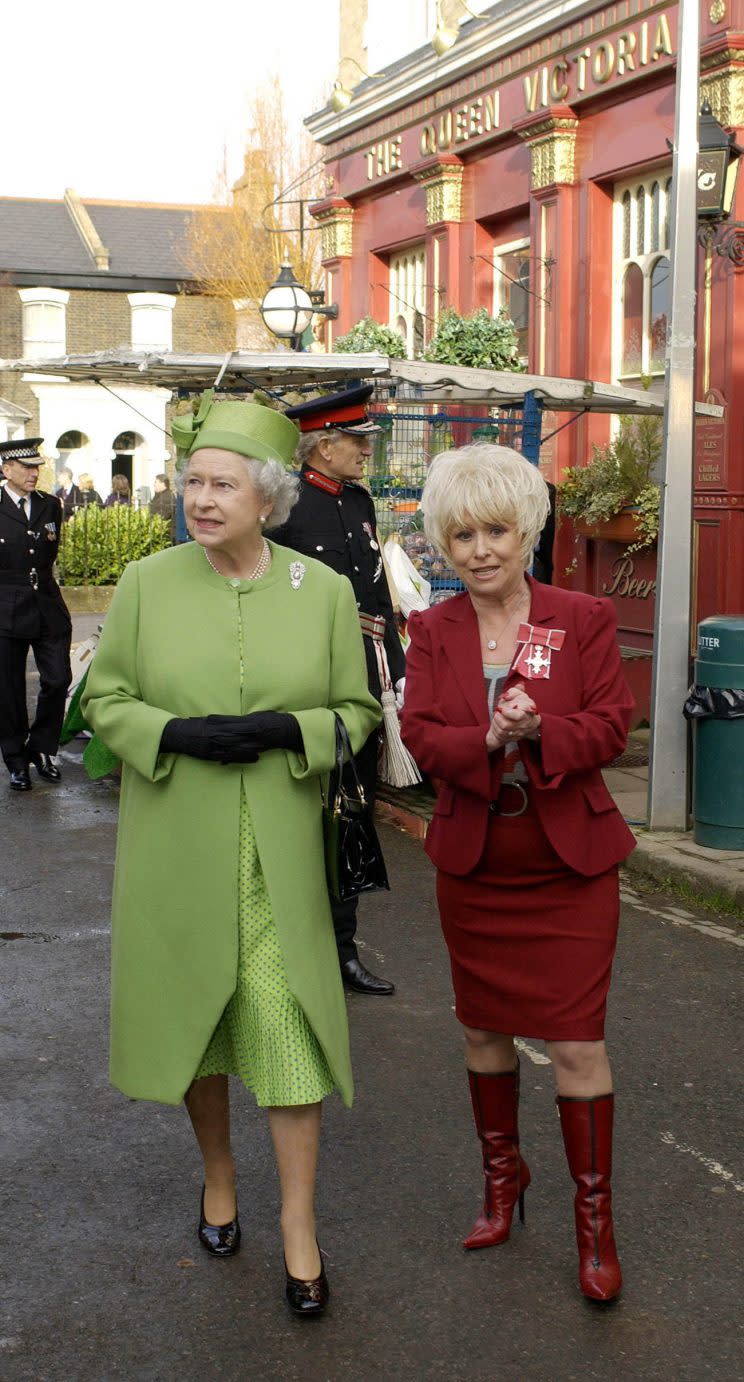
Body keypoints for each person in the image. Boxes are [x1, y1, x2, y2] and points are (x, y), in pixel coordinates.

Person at [81, 395, 380, 1317]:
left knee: (290, 1038)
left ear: (269, 496)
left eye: (221, 484)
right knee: (198, 1030)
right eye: (193, 482)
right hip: (178, 846)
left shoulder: (323, 591)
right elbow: (105, 701)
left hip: (280, 859)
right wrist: (175, 733)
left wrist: (296, 727)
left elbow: (358, 714)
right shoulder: (146, 583)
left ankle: (298, 1227)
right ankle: (218, 1176)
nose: (199, 499)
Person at [400, 443, 636, 1304]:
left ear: (528, 528)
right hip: (478, 867)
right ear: (444, 544)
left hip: (568, 870)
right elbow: (422, 735)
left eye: (496, 529)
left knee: (577, 1044)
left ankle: (595, 1226)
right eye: (462, 535)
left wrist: (544, 733)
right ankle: (504, 1185)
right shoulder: (432, 629)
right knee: (484, 1034)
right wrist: (488, 741)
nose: (481, 550)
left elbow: (613, 723)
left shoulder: (582, 616)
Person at [272, 385, 401, 997]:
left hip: (363, 676)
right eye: (357, 441)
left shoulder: (359, 500)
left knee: (353, 811)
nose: (365, 453)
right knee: (301, 813)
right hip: (307, 681)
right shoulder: (286, 507)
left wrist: (395, 672)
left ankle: (341, 949)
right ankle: (288, 945)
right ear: (323, 446)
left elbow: (378, 595)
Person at [0, 438, 72, 791]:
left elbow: (49, 553)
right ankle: (15, 760)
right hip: (5, 608)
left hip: (46, 605)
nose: (34, 473)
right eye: (27, 467)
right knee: (9, 689)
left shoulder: (51, 505)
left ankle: (42, 748)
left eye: (37, 467)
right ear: (6, 469)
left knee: (57, 679)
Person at [149, 472, 176, 540]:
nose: (154, 485)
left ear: (163, 483)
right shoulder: (159, 496)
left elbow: (161, 517)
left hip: (166, 535)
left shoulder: (167, 497)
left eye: (156, 482)